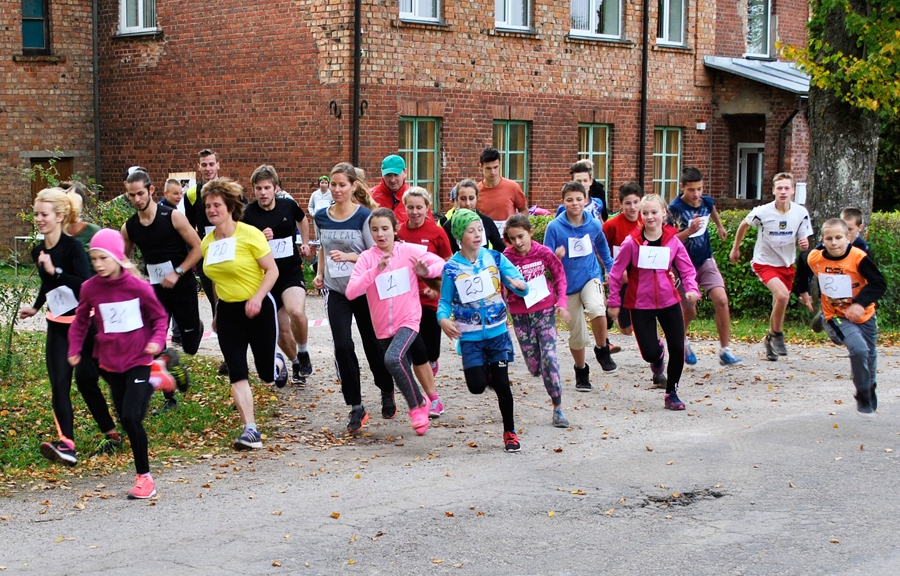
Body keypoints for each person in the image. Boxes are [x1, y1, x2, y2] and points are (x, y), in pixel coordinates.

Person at [67, 229, 174, 499]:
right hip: (111, 363)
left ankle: (145, 478)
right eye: (94, 259)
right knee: (129, 418)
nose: (98, 264)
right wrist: (75, 348)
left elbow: (159, 317)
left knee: (129, 417)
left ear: (117, 256)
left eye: (103, 258)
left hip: (138, 358)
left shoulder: (137, 287)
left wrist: (156, 341)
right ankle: (155, 377)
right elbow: (80, 321)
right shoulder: (90, 288)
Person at [19, 188, 119, 466]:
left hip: (84, 325)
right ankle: (67, 445)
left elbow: (86, 285)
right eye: (36, 214)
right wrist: (36, 307)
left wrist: (57, 271)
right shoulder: (38, 250)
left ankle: (121, 425)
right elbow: (48, 285)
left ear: (60, 216)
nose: (38, 219)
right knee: (59, 385)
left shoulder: (73, 247)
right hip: (57, 327)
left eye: (44, 214)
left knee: (101, 377)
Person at [201, 178, 287, 450]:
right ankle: (251, 430)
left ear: (229, 207)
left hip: (259, 307)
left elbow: (272, 271)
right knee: (237, 370)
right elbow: (216, 279)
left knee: (266, 375)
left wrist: (258, 297)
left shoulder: (250, 234)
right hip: (228, 312)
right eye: (207, 206)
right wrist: (217, 311)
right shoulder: (207, 243)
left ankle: (277, 361)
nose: (211, 210)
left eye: (216, 205)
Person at [346, 208, 447, 435]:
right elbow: (352, 291)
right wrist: (375, 270)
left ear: (395, 229)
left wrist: (426, 270)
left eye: (384, 229)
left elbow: (441, 264)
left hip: (409, 320)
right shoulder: (366, 258)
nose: (380, 234)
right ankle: (419, 399)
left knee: (392, 359)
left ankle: (417, 407)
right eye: (375, 230)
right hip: (382, 328)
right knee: (398, 366)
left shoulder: (408, 251)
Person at [313, 163, 396, 432]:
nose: (337, 190)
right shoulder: (321, 216)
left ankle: (386, 389)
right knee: (343, 345)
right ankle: (356, 406)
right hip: (336, 290)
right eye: (334, 185)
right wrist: (319, 273)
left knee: (372, 344)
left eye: (342, 185)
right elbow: (324, 249)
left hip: (363, 288)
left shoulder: (363, 216)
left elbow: (377, 256)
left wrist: (349, 257)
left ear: (353, 187)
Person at [438, 209, 529, 452]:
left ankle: (510, 432)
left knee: (503, 385)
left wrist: (521, 286)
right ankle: (487, 372)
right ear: (460, 236)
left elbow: (517, 281)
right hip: (470, 336)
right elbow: (445, 302)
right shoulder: (451, 268)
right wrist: (443, 319)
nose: (478, 234)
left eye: (480, 229)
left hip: (497, 333)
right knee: (476, 386)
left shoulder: (495, 258)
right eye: (471, 230)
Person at [607, 195, 701, 410]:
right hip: (641, 304)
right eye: (645, 213)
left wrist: (692, 289)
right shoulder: (632, 243)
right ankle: (657, 354)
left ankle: (672, 393)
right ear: (641, 216)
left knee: (677, 348)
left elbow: (686, 269)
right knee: (649, 353)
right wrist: (613, 301)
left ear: (664, 213)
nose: (650, 217)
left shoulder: (673, 241)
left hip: (669, 302)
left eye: (654, 212)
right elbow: (616, 273)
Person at [121, 170, 201, 410]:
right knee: (152, 341)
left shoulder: (173, 217)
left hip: (182, 285)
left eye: (140, 193)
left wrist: (177, 272)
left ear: (151, 190)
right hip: (155, 291)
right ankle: (169, 396)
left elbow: (198, 247)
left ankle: (195, 330)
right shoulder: (130, 227)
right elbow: (125, 260)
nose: (137, 199)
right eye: (132, 195)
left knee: (190, 345)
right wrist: (135, 279)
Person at [796, 219, 885, 414]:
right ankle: (862, 392)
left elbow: (879, 283)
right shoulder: (816, 257)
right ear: (822, 240)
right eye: (829, 238)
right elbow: (802, 261)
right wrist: (802, 289)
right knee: (858, 349)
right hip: (837, 313)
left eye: (838, 238)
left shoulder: (858, 257)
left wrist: (859, 304)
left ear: (848, 238)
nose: (834, 243)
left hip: (864, 313)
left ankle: (869, 385)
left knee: (869, 352)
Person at [542, 181, 617, 392]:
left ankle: (603, 349)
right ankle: (581, 370)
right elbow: (544, 255)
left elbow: (601, 245)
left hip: (590, 276)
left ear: (585, 200)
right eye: (569, 200)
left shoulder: (593, 224)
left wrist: (610, 267)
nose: (575, 203)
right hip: (566, 285)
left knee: (596, 307)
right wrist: (553, 258)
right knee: (578, 334)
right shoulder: (554, 227)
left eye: (578, 199)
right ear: (563, 202)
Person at [242, 164, 313, 384]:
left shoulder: (288, 206)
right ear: (253, 190)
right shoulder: (248, 214)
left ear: (275, 188)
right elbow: (242, 245)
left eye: (266, 188)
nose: (263, 193)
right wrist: (259, 239)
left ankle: (303, 351)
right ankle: (294, 363)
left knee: (296, 312)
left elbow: (302, 219)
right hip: (265, 277)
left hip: (289, 271)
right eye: (258, 189)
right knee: (281, 331)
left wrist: (306, 242)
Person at [730, 172, 812, 360]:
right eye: (779, 188)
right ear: (773, 190)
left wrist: (803, 242)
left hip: (786, 264)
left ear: (793, 191)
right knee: (783, 296)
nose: (783, 192)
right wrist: (736, 248)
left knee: (779, 302)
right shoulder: (763, 211)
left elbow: (802, 235)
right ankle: (777, 334)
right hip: (764, 262)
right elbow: (744, 225)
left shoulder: (801, 213)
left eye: (787, 188)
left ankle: (768, 340)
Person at [502, 214, 571, 428]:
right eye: (512, 238)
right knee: (534, 365)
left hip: (544, 311)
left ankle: (558, 407)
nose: (518, 242)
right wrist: (503, 308)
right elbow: (501, 284)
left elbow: (559, 275)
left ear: (530, 233)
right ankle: (538, 368)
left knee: (549, 358)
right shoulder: (506, 256)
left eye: (521, 236)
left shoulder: (543, 253)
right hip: (520, 315)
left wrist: (562, 302)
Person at [668, 167, 742, 366]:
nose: (696, 194)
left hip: (705, 259)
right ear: (682, 187)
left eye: (700, 189)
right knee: (689, 311)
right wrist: (689, 230)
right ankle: (681, 342)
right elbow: (669, 239)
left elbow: (711, 209)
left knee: (721, 299)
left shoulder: (706, 202)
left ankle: (725, 350)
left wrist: (719, 226)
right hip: (682, 265)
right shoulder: (674, 209)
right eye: (692, 190)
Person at [396, 187, 450, 417]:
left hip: (430, 301)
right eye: (410, 207)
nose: (415, 212)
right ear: (405, 208)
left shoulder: (437, 233)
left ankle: (430, 365)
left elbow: (448, 263)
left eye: (419, 207)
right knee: (413, 351)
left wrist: (435, 289)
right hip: (408, 300)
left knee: (431, 352)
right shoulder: (400, 232)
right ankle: (430, 397)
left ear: (427, 208)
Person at [808, 207, 870, 333]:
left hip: (852, 287)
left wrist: (863, 300)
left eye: (850, 229)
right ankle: (825, 316)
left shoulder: (861, 248)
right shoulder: (828, 244)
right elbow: (811, 259)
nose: (834, 242)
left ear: (860, 228)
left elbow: (872, 276)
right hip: (832, 289)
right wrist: (804, 287)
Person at [602, 182, 643, 336]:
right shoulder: (611, 225)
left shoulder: (646, 222)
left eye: (635, 202)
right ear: (620, 204)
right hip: (621, 276)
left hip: (641, 276)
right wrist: (610, 269)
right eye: (627, 203)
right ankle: (610, 310)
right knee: (626, 330)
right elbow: (600, 249)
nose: (632, 207)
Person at [442, 179, 505, 253]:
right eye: (463, 199)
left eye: (471, 198)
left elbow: (500, 249)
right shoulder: (448, 225)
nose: (468, 203)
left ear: (477, 198)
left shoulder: (487, 222)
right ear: (456, 199)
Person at [476, 147, 528, 231]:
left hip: (508, 240)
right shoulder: (476, 192)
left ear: (500, 164)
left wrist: (515, 223)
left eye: (495, 167)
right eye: (488, 168)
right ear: (481, 166)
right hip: (486, 240)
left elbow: (524, 210)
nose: (493, 172)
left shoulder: (513, 187)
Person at [370, 154, 418, 224]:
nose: (392, 180)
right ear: (382, 174)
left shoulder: (416, 197)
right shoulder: (370, 197)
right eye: (388, 175)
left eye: (396, 175)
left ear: (405, 172)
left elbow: (428, 227)